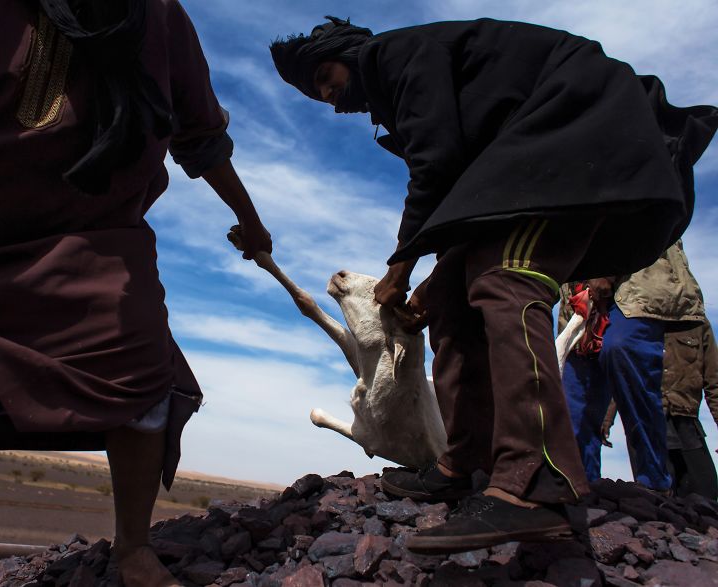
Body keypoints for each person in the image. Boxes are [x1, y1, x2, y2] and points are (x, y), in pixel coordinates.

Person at [0, 1, 271, 585]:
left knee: (136, 353)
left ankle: (134, 551)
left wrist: (251, 219)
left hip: (83, 233)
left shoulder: (159, 16)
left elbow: (201, 135)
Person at [269, 16, 717, 552]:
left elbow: (437, 165)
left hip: (573, 141)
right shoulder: (419, 83)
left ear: (348, 51)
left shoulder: (398, 56)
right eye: (317, 93)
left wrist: (400, 267)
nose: (328, 92)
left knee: (507, 279)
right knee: (455, 304)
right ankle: (465, 461)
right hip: (526, 166)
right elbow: (469, 199)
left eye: (325, 74)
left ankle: (536, 482)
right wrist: (433, 285)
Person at [561, 242, 705, 493]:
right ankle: (579, 484)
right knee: (576, 392)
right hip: (578, 292)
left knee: (622, 349)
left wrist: (605, 271)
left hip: (637, 283)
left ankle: (654, 481)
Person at [601, 317, 718, 500]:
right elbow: (623, 373)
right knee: (655, 498)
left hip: (685, 422)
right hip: (644, 421)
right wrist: (605, 419)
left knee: (706, 492)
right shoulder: (633, 321)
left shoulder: (697, 322)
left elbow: (714, 381)